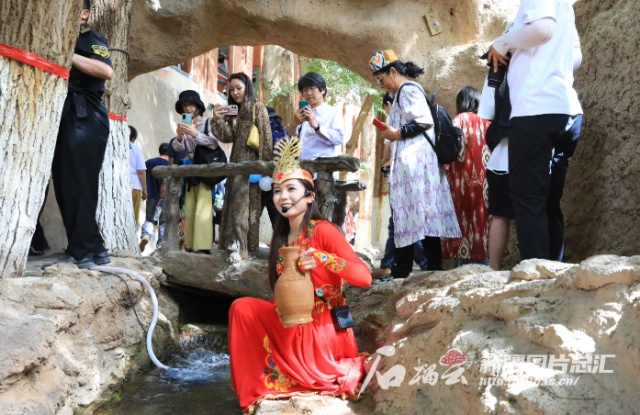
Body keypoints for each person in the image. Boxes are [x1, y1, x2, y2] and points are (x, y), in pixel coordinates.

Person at [228, 136, 371, 413]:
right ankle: (257, 388)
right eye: (277, 191)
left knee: (291, 326)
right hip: (291, 319)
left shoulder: (323, 230)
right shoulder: (279, 239)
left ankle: (301, 372)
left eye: (291, 189)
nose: (283, 197)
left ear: (310, 196)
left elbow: (364, 276)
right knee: (241, 308)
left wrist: (323, 259)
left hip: (323, 324)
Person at [487, 0, 583, 261]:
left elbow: (542, 29)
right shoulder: (565, 6)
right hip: (567, 110)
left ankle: (535, 278)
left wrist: (503, 42)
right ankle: (554, 274)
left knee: (529, 201)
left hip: (535, 110)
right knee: (549, 202)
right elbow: (576, 58)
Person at [369, 50, 460, 277]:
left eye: (380, 79)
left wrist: (396, 133)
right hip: (415, 165)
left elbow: (423, 121)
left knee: (408, 215)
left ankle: (404, 272)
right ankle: (427, 269)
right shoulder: (405, 91)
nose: (381, 85)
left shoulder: (407, 89)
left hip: (417, 165)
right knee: (418, 216)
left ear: (392, 71)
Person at [44, 0, 113, 269]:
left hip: (86, 114)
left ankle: (80, 253)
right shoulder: (66, 35)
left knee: (79, 185)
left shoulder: (89, 36)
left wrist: (67, 55)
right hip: (71, 113)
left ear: (84, 14)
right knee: (67, 182)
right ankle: (95, 247)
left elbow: (106, 70)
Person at [212, 72, 273, 260]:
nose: (235, 92)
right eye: (231, 89)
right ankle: (232, 245)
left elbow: (266, 139)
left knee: (248, 208)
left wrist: (264, 168)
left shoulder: (257, 108)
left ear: (247, 87)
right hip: (235, 165)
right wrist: (217, 119)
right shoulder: (234, 111)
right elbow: (227, 136)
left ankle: (246, 248)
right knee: (233, 205)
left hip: (252, 167)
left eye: (238, 88)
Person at [375, 92, 429, 278]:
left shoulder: (395, 121)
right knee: (400, 221)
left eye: (386, 106)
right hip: (414, 177)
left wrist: (383, 163)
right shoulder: (413, 121)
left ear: (389, 104)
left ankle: (421, 262)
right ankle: (392, 263)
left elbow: (389, 150)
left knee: (400, 222)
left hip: (402, 179)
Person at [442, 86, 490, 265]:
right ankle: (484, 268)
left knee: (462, 226)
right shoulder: (487, 124)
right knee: (481, 226)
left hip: (460, 184)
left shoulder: (458, 121)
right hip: (485, 185)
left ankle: (462, 270)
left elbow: (448, 152)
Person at [286, 72, 345, 221]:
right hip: (303, 171)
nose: (308, 93)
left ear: (323, 90)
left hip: (324, 173)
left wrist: (316, 126)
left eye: (312, 88)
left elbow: (339, 138)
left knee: (323, 212)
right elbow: (290, 139)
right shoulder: (301, 114)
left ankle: (322, 237)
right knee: (302, 213)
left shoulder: (332, 112)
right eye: (304, 90)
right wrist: (294, 123)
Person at [171, 90, 220, 253]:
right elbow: (178, 148)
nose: (188, 108)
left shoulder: (208, 122)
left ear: (198, 106)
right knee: (188, 209)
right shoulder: (185, 125)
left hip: (205, 170)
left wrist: (195, 133)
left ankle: (203, 246)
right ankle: (188, 244)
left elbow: (213, 143)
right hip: (191, 171)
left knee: (203, 209)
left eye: (191, 105)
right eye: (185, 105)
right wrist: (179, 136)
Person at [140, 143, 170, 251]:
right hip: (166, 199)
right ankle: (161, 246)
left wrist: (144, 190)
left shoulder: (149, 163)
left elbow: (143, 175)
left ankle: (146, 235)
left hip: (151, 196)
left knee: (149, 219)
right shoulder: (170, 165)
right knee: (163, 222)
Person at [128, 126, 147, 227]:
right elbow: (141, 171)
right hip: (134, 186)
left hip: (115, 186)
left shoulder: (112, 146)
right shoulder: (135, 148)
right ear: (133, 138)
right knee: (131, 219)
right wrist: (145, 190)